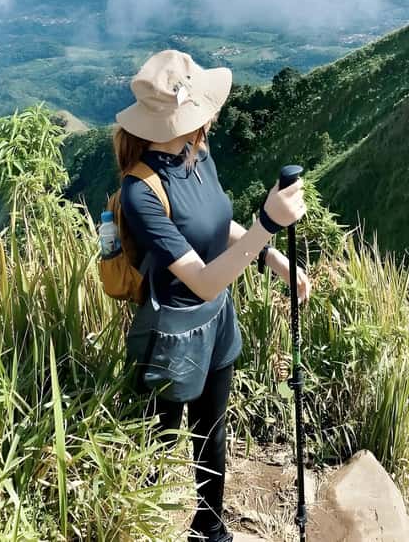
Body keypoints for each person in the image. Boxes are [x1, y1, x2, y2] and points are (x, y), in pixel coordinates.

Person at [113, 49, 310, 542]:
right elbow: (199, 279)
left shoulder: (198, 154)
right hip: (174, 331)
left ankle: (209, 529)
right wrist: (268, 226)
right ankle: (145, 524)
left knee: (212, 432)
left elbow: (219, 226)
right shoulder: (141, 191)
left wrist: (272, 258)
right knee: (158, 440)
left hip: (219, 318)